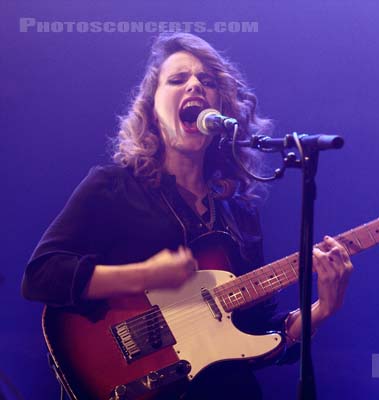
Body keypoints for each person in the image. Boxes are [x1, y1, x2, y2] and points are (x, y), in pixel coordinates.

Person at [21, 33, 353, 399]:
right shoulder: (114, 186)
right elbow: (41, 276)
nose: (195, 85)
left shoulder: (238, 212)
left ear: (223, 109)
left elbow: (255, 333)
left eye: (207, 81)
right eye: (178, 80)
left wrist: (321, 310)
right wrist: (142, 276)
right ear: (151, 109)